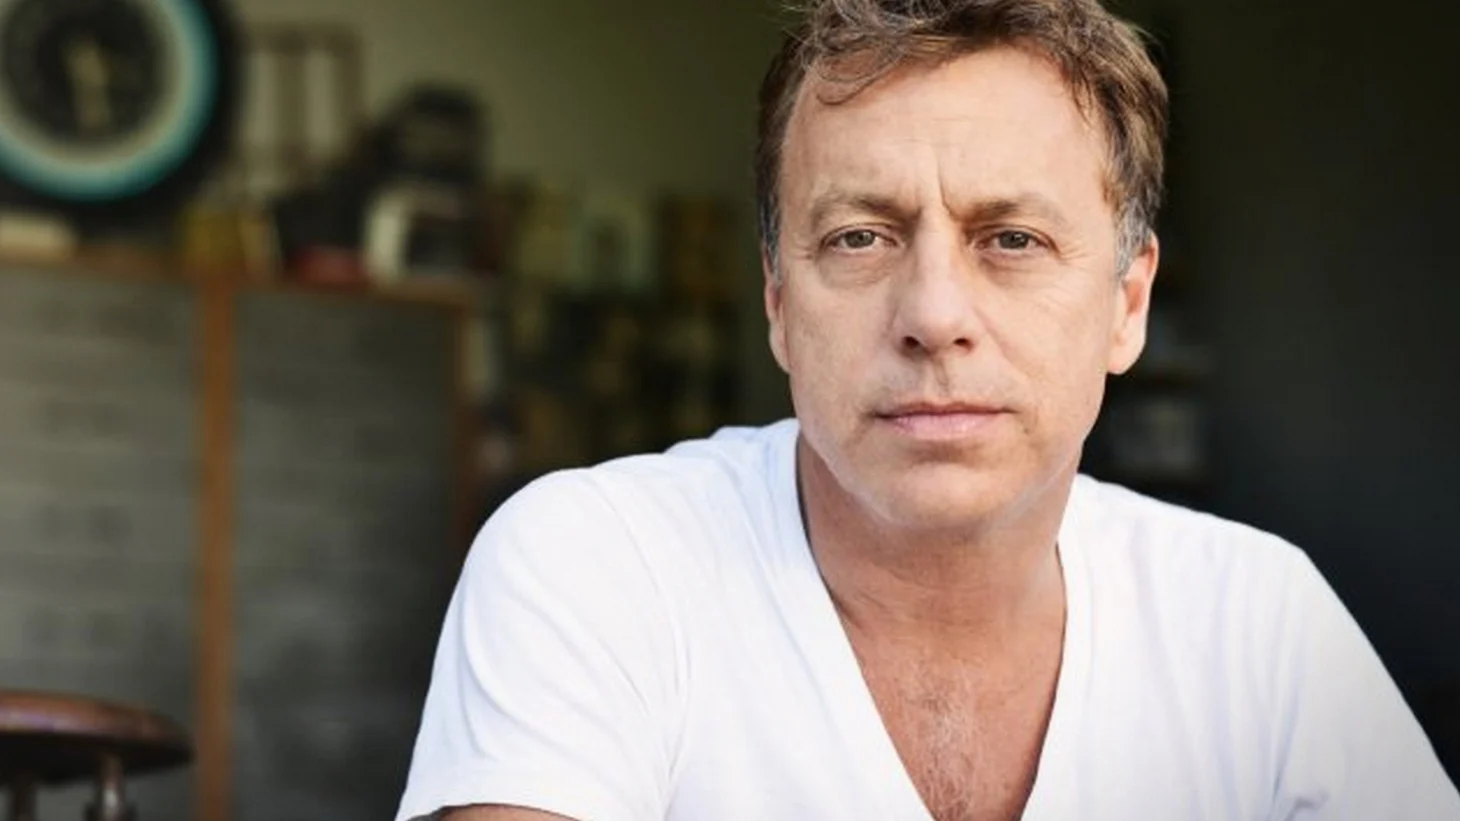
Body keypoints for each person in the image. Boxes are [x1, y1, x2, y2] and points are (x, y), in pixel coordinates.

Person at [395, 0, 1460, 818]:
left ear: (1126, 304)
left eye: (1013, 239)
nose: (934, 315)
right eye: (859, 237)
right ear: (777, 302)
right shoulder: (599, 565)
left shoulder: (1260, 625)